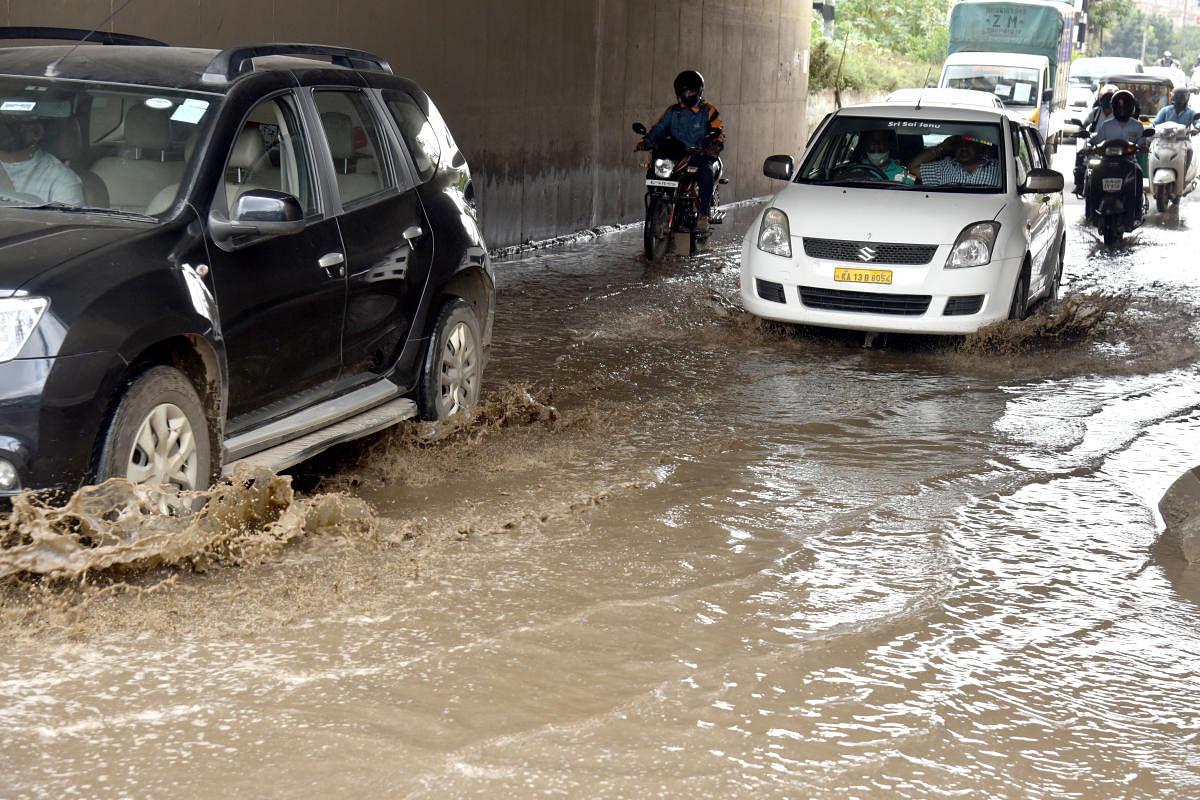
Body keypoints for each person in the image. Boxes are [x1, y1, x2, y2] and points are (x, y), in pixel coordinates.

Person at [637, 69, 724, 233]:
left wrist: (714, 145)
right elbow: (658, 128)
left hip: (700, 155)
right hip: (676, 156)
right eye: (685, 91)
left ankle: (703, 216)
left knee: (705, 174)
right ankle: (660, 209)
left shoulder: (708, 111)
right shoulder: (673, 111)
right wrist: (645, 141)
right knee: (652, 173)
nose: (688, 94)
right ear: (679, 92)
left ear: (699, 91)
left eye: (691, 90)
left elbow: (719, 131)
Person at [0, 112, 83, 205]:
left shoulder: (61, 179)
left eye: (10, 123)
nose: (2, 127)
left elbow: (69, 219)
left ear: (37, 132)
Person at [1073, 83, 1118, 196]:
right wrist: (1081, 132)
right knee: (1080, 157)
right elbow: (1083, 125)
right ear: (1100, 99)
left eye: (1110, 99)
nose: (1108, 101)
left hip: (1115, 146)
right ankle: (1079, 186)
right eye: (1106, 98)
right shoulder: (1096, 112)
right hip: (1095, 144)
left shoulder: (1120, 114)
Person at [908, 132, 1000, 186]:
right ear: (953, 148)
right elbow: (913, 167)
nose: (963, 148)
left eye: (968, 144)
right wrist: (941, 147)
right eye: (959, 144)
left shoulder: (999, 169)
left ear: (979, 146)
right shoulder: (944, 167)